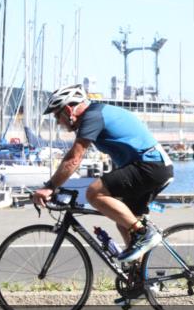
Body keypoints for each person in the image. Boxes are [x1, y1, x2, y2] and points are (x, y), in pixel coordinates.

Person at [31, 84, 173, 263]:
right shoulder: (97, 114)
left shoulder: (92, 116)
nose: (58, 122)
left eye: (57, 116)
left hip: (150, 166)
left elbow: (74, 158)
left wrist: (50, 187)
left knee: (94, 192)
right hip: (155, 167)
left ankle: (143, 232)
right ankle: (140, 281)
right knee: (124, 221)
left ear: (68, 110)